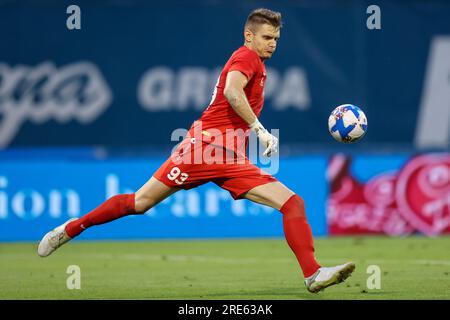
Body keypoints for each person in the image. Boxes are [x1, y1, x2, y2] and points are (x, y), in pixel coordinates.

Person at [38, 8, 355, 293]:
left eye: (276, 38)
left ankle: (313, 274)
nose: (273, 43)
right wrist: (259, 130)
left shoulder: (255, 62)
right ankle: (69, 229)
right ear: (249, 36)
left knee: (292, 203)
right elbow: (232, 92)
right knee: (139, 202)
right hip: (204, 150)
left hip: (229, 157)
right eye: (267, 37)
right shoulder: (247, 57)